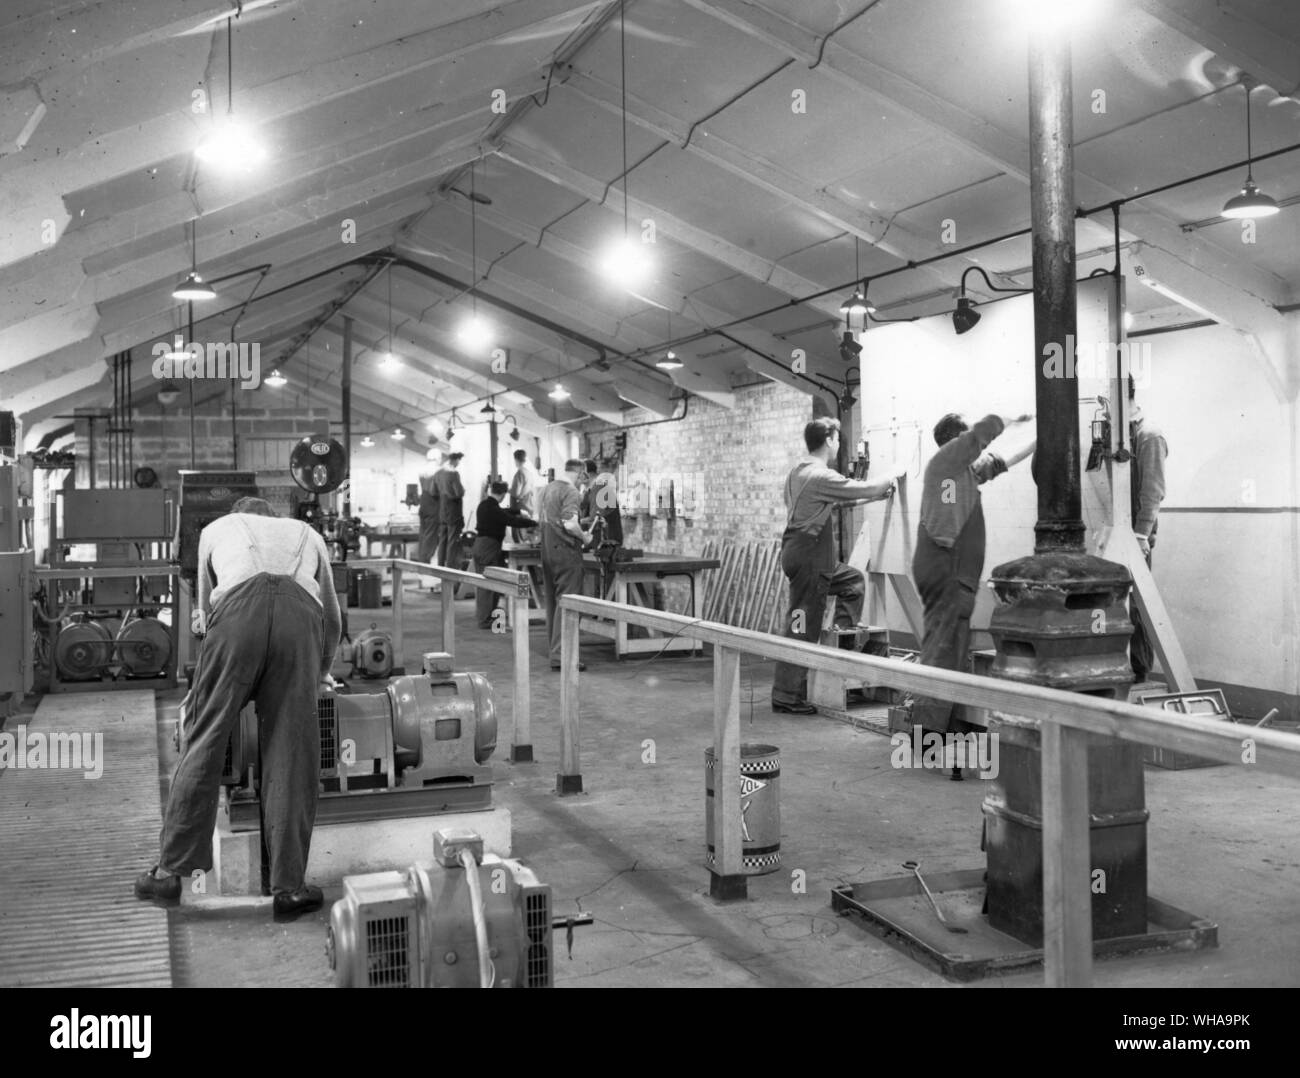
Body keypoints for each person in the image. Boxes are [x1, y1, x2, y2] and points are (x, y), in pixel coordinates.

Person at [134, 497, 341, 920]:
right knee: (292, 753)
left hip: (236, 619)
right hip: (301, 623)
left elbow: (208, 614)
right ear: (271, 516)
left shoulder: (216, 530)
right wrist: (320, 674)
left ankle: (169, 873)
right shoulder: (308, 533)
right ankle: (289, 889)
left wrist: (207, 691)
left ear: (239, 514)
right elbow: (333, 620)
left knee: (206, 738)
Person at [905, 412, 1035, 744]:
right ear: (954, 441)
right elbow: (981, 435)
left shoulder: (963, 474)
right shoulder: (945, 463)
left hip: (954, 573)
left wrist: (1044, 437)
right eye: (964, 439)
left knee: (951, 647)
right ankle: (926, 736)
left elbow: (1001, 460)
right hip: (946, 570)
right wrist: (1012, 417)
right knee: (943, 649)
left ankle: (944, 726)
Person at [771, 417, 899, 714]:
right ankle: (787, 695)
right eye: (838, 438)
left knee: (853, 581)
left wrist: (877, 495)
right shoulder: (820, 475)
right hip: (811, 558)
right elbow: (860, 488)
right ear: (829, 440)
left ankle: (839, 644)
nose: (840, 443)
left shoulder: (798, 473)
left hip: (805, 556)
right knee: (801, 625)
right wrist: (892, 475)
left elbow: (834, 503)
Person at [1126, 377, 1168, 682]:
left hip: (1134, 539)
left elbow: (1152, 490)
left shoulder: (1149, 435)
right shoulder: (1119, 436)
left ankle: (1139, 675)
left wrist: (1141, 535)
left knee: (1137, 609)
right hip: (1113, 536)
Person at [539, 458, 594, 671]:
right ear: (581, 474)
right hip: (566, 553)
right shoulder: (571, 492)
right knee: (568, 604)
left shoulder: (548, 488)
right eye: (584, 477)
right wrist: (585, 537)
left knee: (554, 603)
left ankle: (555, 653)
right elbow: (569, 523)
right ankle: (563, 656)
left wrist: (580, 523)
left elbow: (549, 519)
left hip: (547, 551)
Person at [471, 481, 538, 629]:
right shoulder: (493, 509)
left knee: (488, 583)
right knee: (488, 584)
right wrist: (533, 523)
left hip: (483, 545)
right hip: (488, 547)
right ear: (502, 494)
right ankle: (484, 620)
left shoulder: (485, 505)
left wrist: (518, 511)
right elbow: (509, 520)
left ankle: (486, 616)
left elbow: (505, 512)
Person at [434, 451, 466, 571]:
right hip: (454, 511)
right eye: (458, 461)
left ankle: (440, 566)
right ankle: (450, 568)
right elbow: (460, 492)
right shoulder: (454, 474)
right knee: (453, 540)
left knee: (442, 539)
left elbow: (433, 491)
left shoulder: (438, 473)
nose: (458, 463)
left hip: (442, 511)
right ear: (455, 460)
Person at [581, 458, 623, 546]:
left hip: (608, 543)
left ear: (586, 474)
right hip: (600, 541)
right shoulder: (589, 489)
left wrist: (574, 522)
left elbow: (594, 518)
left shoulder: (599, 487)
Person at [508, 449, 539, 544]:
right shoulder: (529, 473)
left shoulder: (519, 474)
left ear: (516, 460)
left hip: (520, 511)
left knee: (519, 541)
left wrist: (506, 489)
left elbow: (515, 494)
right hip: (529, 509)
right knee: (527, 539)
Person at [417, 453, 444, 563]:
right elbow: (437, 490)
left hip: (423, 503)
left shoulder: (422, 470)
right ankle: (425, 561)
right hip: (433, 504)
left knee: (423, 533)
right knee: (431, 535)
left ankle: (422, 559)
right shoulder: (439, 471)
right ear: (438, 459)